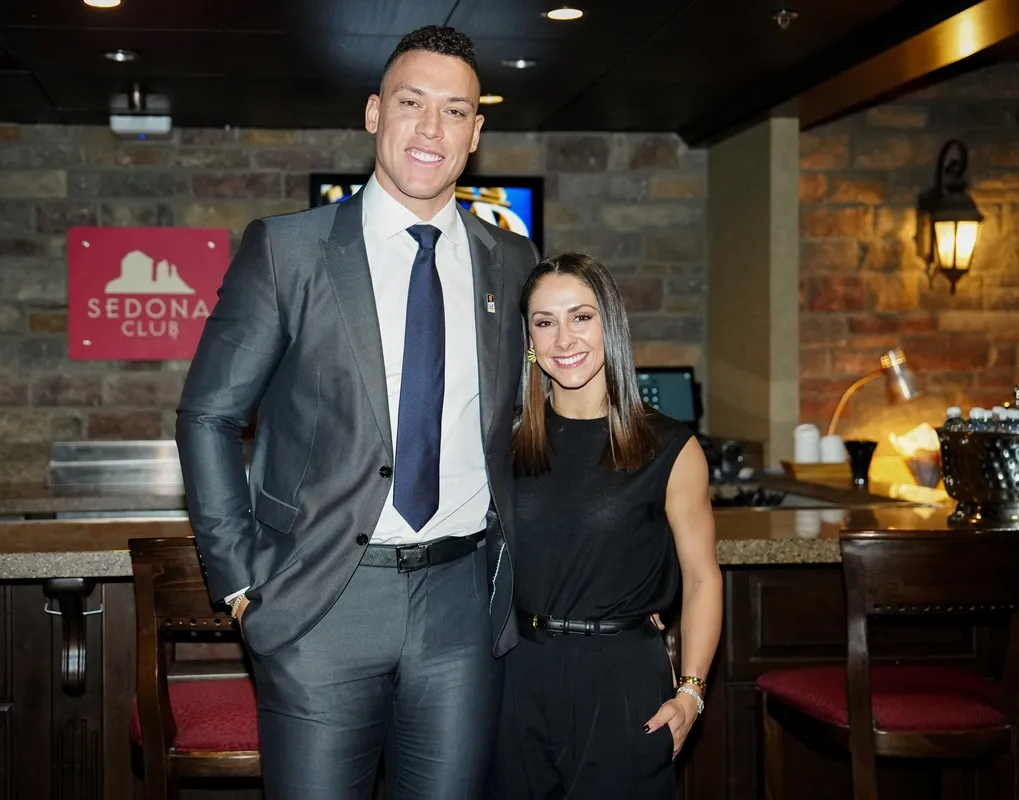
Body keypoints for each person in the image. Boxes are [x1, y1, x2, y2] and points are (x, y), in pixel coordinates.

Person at [176, 24, 541, 800]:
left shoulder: (511, 262)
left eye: (454, 111)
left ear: (477, 133)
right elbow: (207, 415)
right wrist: (240, 582)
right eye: (412, 103)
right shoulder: (288, 250)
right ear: (375, 113)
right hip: (319, 603)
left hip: (460, 605)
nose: (430, 129)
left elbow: (530, 423)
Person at [488, 253, 723, 799]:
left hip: (621, 678)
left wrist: (691, 691)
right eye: (544, 322)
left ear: (609, 324)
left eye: (581, 317)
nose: (564, 339)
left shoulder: (669, 447)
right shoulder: (502, 440)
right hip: (516, 673)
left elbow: (703, 578)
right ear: (528, 340)